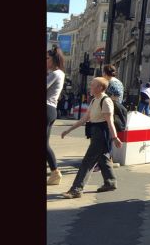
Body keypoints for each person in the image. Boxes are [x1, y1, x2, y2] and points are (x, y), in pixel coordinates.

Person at [59, 77, 123, 198]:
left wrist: (115, 137)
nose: (90, 87)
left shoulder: (106, 101)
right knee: (103, 158)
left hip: (101, 134)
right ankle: (110, 182)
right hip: (95, 132)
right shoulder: (95, 100)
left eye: (93, 85)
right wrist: (68, 130)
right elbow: (85, 118)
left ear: (100, 88)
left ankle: (76, 189)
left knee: (87, 162)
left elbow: (110, 122)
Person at [47, 45, 66, 186]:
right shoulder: (57, 73)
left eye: (47, 58)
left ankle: (55, 172)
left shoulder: (55, 74)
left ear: (54, 59)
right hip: (51, 109)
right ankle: (54, 172)